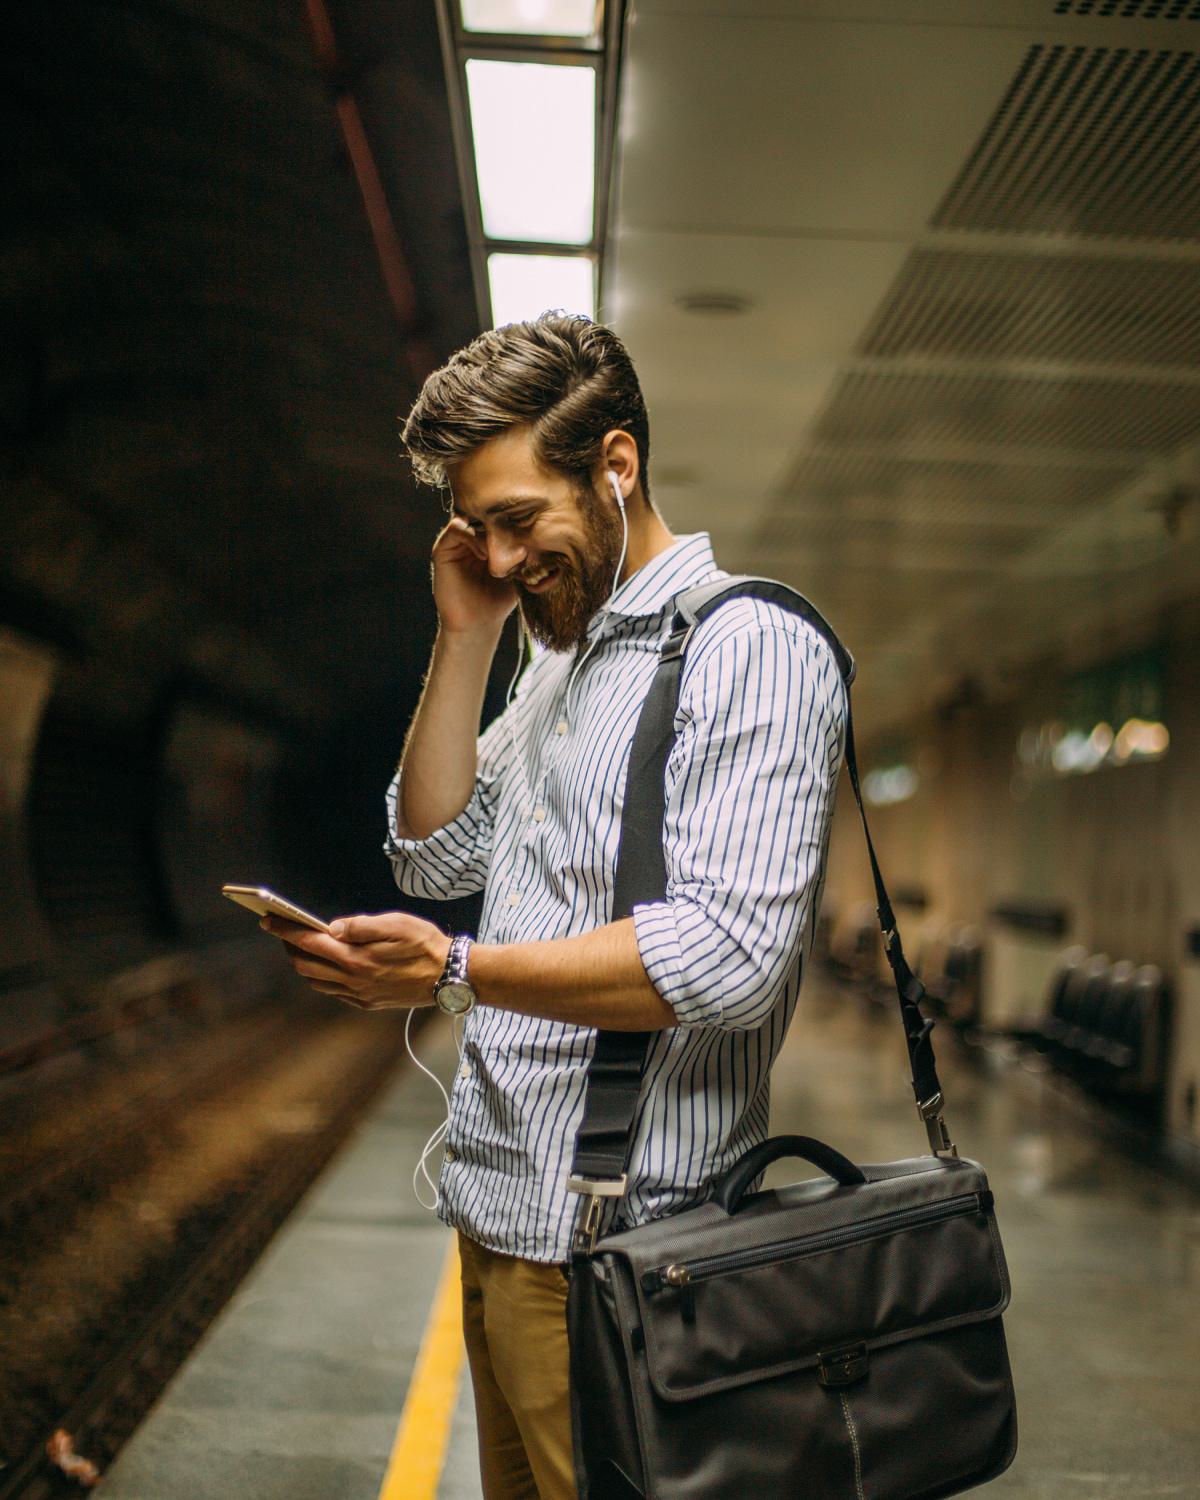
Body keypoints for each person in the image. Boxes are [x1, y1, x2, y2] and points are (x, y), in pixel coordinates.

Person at [261, 312, 848, 1500]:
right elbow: (431, 856)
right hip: (501, 1222)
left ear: (616, 466)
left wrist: (459, 974)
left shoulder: (748, 648)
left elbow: (728, 957)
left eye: (519, 519)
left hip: (627, 1247)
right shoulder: (561, 658)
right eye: (474, 528)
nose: (495, 554)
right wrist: (465, 640)